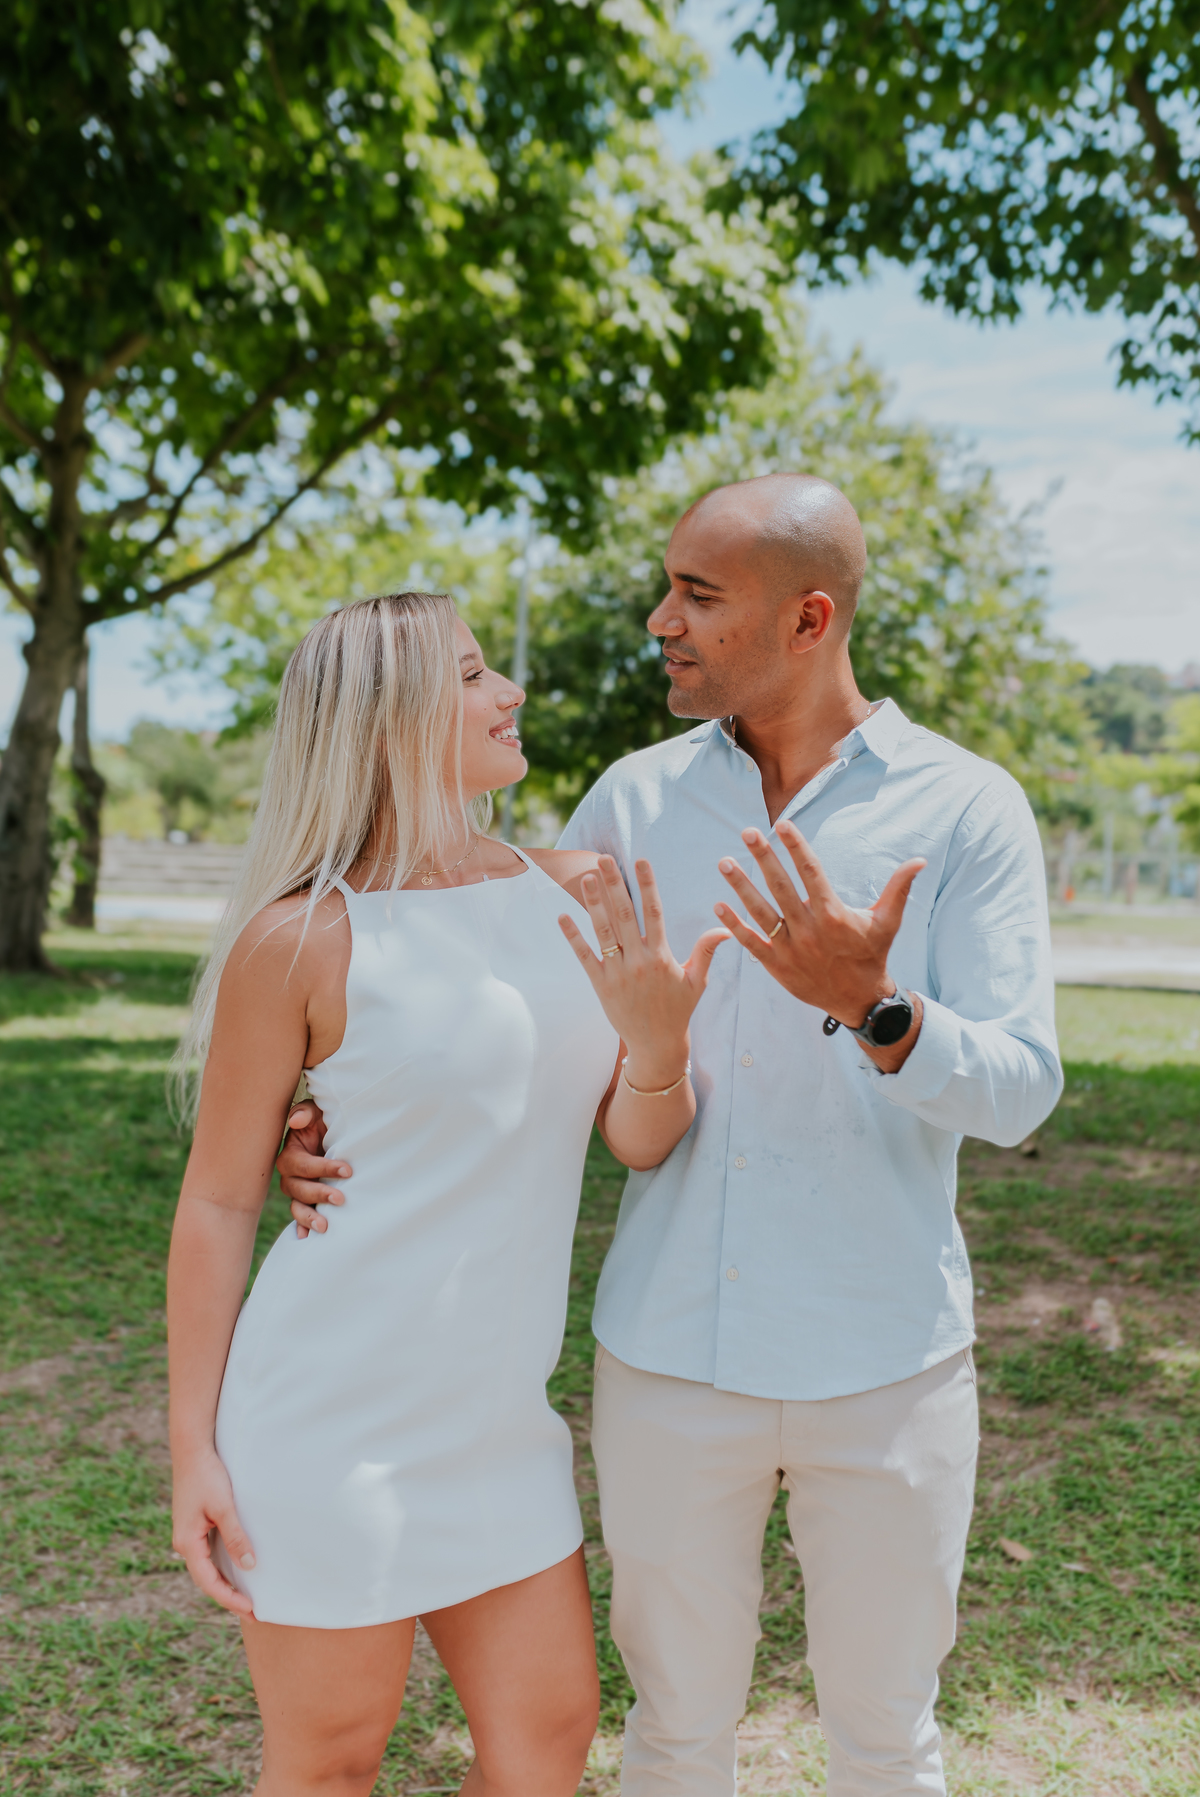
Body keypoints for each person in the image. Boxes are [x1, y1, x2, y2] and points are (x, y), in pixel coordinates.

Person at [281, 476, 1063, 1797]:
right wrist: (324, 1110)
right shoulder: (627, 809)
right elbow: (486, 996)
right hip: (666, 1364)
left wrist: (873, 1008)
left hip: (888, 1368)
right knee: (673, 1740)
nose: (660, 620)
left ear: (809, 617)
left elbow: (1023, 1089)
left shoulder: (969, 809)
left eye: (697, 596)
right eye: (668, 588)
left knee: (888, 1743)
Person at [167, 590, 730, 1797]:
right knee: (329, 1760)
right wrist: (190, 1453)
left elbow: (640, 1140)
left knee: (544, 1751)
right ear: (386, 721)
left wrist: (656, 1043)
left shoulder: (579, 889)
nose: (508, 692)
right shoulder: (304, 937)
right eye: (472, 676)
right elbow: (217, 1202)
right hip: (325, 1426)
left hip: (499, 1426)